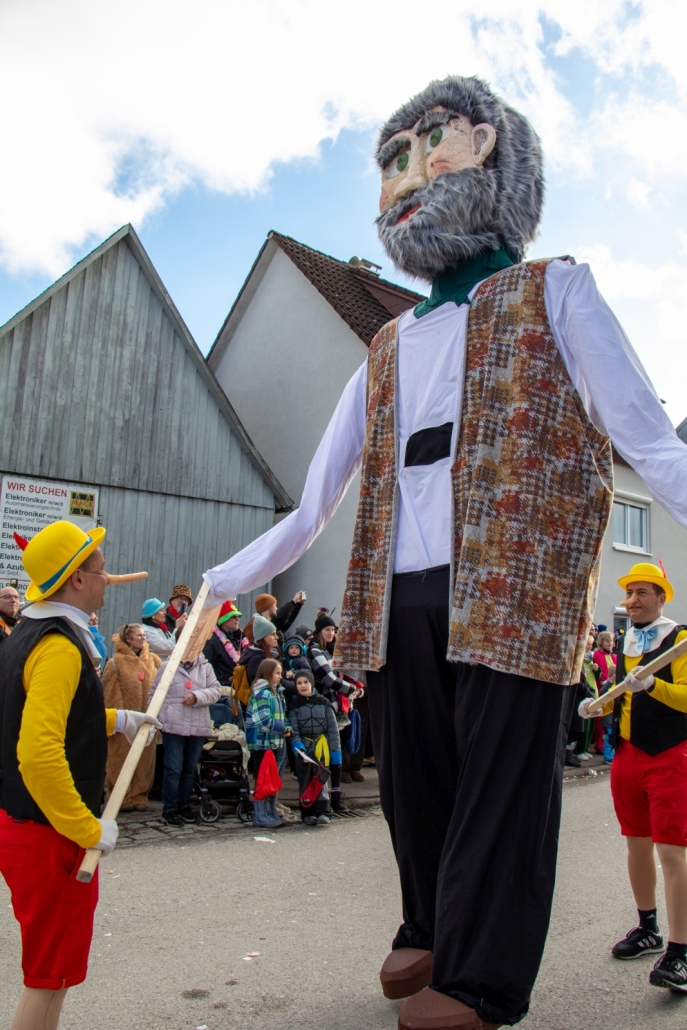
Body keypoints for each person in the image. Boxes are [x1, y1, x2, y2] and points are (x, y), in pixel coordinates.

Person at [202, 75, 687, 1029]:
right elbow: (314, 503)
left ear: (493, 153)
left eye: (433, 142)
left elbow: (652, 441)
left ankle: (479, 979)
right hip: (397, 596)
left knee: (500, 792)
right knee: (415, 782)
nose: (409, 173)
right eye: (391, 160)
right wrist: (223, 582)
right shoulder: (385, 345)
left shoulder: (556, 292)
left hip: (512, 591)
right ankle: (428, 926)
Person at [0, 521, 160, 1030]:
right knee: (49, 979)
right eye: (101, 569)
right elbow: (38, 754)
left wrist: (118, 719)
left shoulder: (29, 633)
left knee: (52, 975)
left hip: (28, 823)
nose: (107, 577)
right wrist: (86, 828)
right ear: (76, 579)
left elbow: (56, 717)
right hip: (48, 833)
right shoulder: (59, 647)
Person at [580, 562, 687, 991]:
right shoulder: (625, 641)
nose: (633, 599)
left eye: (643, 592)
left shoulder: (680, 639)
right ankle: (648, 928)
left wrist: (654, 686)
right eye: (630, 592)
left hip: (670, 756)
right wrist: (598, 705)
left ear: (661, 597)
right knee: (636, 845)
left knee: (672, 852)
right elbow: (623, 694)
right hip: (627, 757)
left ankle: (680, 952)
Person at [150, 649, 221, 826]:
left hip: (197, 726)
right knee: (173, 768)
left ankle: (183, 805)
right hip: (173, 726)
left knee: (189, 769)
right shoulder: (167, 666)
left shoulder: (205, 667)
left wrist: (197, 696)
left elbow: (216, 690)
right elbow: (154, 694)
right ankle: (170, 808)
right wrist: (158, 720)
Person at [102, 624, 161, 812]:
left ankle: (139, 795)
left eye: (144, 635)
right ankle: (120, 796)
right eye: (139, 635)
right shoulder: (115, 663)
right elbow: (110, 693)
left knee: (145, 759)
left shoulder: (153, 660)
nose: (143, 638)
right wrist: (120, 718)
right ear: (128, 639)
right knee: (120, 758)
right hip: (124, 721)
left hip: (147, 719)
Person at [288, 668, 342, 824]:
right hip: (304, 748)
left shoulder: (324, 703)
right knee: (305, 780)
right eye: (299, 683)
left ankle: (323, 811)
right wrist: (297, 745)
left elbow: (333, 729)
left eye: (306, 682)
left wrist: (335, 751)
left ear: (311, 683)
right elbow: (293, 730)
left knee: (321, 778)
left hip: (321, 746)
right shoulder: (294, 707)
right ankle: (307, 812)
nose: (303, 686)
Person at [245, 657, 290, 828]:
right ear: (267, 673)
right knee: (263, 779)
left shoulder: (277, 693)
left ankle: (271, 811)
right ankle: (260, 814)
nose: (280, 676)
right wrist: (282, 728)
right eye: (277, 673)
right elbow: (262, 721)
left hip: (276, 742)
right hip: (263, 743)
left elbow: (283, 716)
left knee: (273, 778)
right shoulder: (262, 694)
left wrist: (287, 727)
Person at [203, 600, 247, 684]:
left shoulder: (239, 638)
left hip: (238, 687)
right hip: (222, 688)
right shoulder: (212, 640)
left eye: (239, 616)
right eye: (234, 616)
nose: (238, 619)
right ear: (224, 619)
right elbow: (206, 668)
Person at [593, 630, 617, 754]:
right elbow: (600, 674)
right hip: (602, 689)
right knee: (602, 720)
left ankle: (609, 747)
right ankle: (600, 745)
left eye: (611, 641)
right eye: (607, 641)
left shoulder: (613, 657)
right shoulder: (597, 654)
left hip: (613, 690)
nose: (610, 643)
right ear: (601, 642)